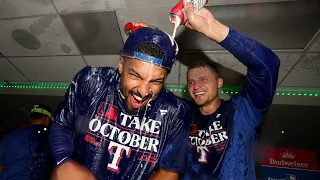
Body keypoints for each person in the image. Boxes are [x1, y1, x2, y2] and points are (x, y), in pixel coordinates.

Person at [48, 22, 191, 180]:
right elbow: (62, 126)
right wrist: (63, 162)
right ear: (121, 65)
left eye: (156, 81)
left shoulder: (175, 111)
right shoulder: (91, 81)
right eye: (136, 76)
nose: (143, 92)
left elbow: (169, 170)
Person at [180, 2, 280, 180]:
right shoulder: (183, 115)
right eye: (191, 82)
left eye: (203, 79)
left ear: (219, 83)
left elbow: (268, 65)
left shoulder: (241, 111)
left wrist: (213, 29)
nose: (196, 86)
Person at [0, 104, 54, 180]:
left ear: (30, 119)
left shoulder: (10, 137)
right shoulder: (52, 138)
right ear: (47, 119)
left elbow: (1, 168)